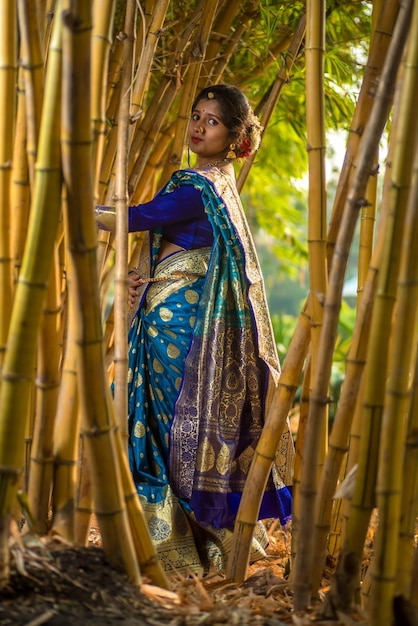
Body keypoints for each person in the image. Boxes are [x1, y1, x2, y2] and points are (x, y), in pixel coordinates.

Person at [95, 84, 293, 575]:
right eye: (196, 116)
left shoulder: (198, 187)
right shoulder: (216, 183)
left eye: (213, 121)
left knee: (169, 427)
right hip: (172, 320)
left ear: (233, 137)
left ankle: (182, 548)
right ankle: (203, 541)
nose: (199, 127)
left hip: (177, 329)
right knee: (176, 428)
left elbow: (136, 218)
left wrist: (75, 202)